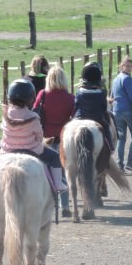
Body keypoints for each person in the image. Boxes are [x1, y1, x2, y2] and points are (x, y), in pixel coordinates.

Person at [0, 78, 68, 199]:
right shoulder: (33, 116)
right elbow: (39, 136)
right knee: (55, 157)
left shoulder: (5, 114)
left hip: (7, 151)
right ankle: (58, 184)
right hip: (32, 150)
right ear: (30, 98)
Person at [34, 63, 76, 217]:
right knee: (63, 173)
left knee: (45, 173)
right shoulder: (70, 97)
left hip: (46, 139)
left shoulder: (42, 95)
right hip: (64, 138)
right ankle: (64, 205)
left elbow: (34, 113)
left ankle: (47, 205)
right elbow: (75, 116)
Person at [110, 56, 132, 173]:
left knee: (121, 139)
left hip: (117, 111)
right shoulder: (128, 79)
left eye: (130, 66)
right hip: (129, 111)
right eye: (127, 66)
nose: (129, 68)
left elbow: (112, 96)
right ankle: (129, 163)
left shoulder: (115, 79)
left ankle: (120, 164)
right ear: (121, 66)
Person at [74, 61, 113, 149]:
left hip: (80, 117)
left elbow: (76, 106)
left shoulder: (79, 92)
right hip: (97, 118)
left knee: (68, 127)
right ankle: (110, 145)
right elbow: (104, 108)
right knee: (106, 127)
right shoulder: (102, 93)